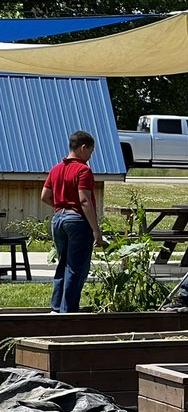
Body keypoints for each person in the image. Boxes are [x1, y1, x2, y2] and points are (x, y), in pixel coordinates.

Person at [40, 130, 105, 313]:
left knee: (63, 263)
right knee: (76, 267)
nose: (90, 156)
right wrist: (96, 230)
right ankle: (68, 311)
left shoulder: (56, 169)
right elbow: (84, 200)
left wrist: (61, 206)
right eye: (91, 152)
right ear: (83, 148)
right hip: (76, 220)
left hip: (58, 219)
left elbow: (44, 196)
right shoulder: (83, 170)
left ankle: (56, 307)